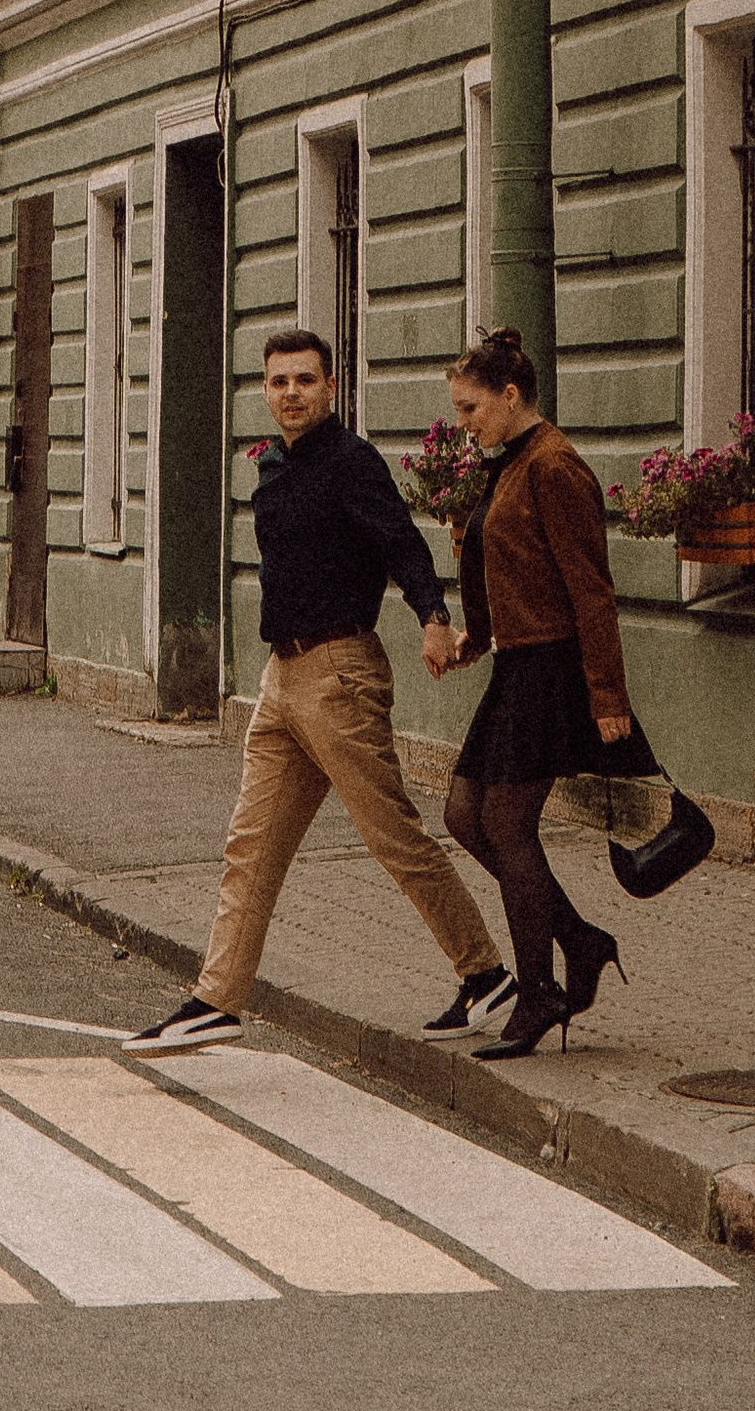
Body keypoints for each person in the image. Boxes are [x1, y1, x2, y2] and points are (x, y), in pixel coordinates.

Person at [123, 326, 512, 1056]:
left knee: (394, 837)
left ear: (330, 387)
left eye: (304, 380)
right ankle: (217, 998)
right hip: (283, 679)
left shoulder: (351, 463)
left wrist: (433, 617)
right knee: (250, 845)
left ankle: (486, 974)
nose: (291, 393)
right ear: (265, 391)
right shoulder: (273, 465)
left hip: (338, 675)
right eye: (278, 382)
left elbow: (402, 543)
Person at [439, 324, 656, 1059]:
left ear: (510, 395)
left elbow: (592, 592)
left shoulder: (557, 466)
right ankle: (580, 940)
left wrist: (607, 698)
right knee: (464, 814)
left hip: (554, 670)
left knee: (505, 824)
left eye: (471, 409)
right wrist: (478, 634)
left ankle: (540, 994)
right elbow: (501, 556)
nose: (463, 425)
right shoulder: (514, 460)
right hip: (517, 663)